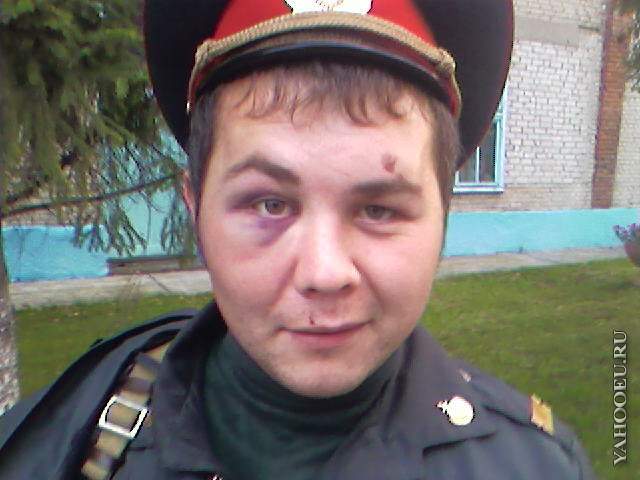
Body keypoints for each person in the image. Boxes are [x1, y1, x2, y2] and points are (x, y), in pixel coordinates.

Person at [0, 0, 596, 479]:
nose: (324, 273)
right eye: (270, 204)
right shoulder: (69, 441)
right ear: (196, 210)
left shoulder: (535, 466)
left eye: (379, 209)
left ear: (443, 215)